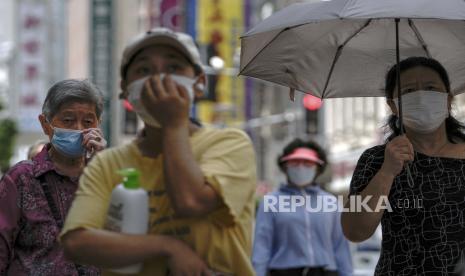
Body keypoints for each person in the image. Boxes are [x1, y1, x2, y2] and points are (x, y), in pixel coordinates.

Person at [60, 27, 257, 276]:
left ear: (199, 84)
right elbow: (77, 242)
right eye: (143, 70)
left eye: (173, 68)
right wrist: (167, 247)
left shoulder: (230, 143)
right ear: (125, 89)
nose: (158, 80)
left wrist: (173, 124)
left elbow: (191, 201)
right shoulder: (107, 163)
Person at [341, 56, 465, 275]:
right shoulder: (376, 159)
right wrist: (387, 171)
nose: (422, 97)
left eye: (430, 87)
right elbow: (354, 231)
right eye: (408, 91)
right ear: (393, 105)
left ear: (448, 98)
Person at [0, 79, 107, 275]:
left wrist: (104, 166)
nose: (78, 128)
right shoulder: (21, 179)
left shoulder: (106, 177)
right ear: (46, 125)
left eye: (88, 121)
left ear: (98, 125)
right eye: (68, 120)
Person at [253, 138, 353, 276]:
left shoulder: (331, 202)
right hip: (284, 272)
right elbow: (261, 247)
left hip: (325, 272)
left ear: (318, 168)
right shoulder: (271, 202)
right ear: (285, 166)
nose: (300, 167)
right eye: (295, 162)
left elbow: (340, 247)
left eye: (307, 163)